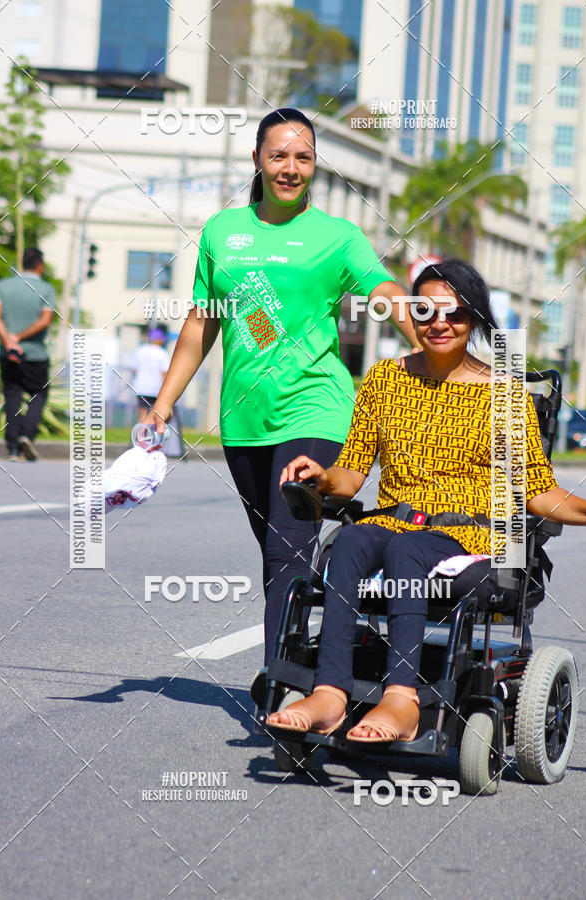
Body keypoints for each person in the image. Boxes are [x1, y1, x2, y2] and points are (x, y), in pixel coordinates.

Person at [267, 258, 586, 743]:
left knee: (409, 551)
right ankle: (331, 693)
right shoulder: (384, 380)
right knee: (351, 541)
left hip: (467, 538)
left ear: (476, 320)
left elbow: (536, 492)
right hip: (392, 523)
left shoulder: (503, 394)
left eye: (455, 313)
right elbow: (352, 473)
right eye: (425, 311)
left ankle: (401, 700)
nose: (439, 323)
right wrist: (321, 477)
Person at [144, 107, 418, 664]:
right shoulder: (223, 232)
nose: (290, 168)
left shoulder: (337, 237)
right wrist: (164, 404)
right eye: (279, 156)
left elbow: (384, 292)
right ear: (258, 160)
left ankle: (281, 684)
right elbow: (202, 321)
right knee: (279, 554)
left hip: (317, 408)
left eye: (303, 157)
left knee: (284, 549)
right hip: (245, 420)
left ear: (314, 165)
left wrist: (433, 342)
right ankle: (337, 623)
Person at [0, 247, 56, 461]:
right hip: (36, 355)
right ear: (40, 265)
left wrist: (9, 341)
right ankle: (27, 436)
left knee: (12, 395)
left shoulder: (3, 286)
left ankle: (13, 448)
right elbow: (45, 321)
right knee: (38, 394)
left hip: (9, 353)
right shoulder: (46, 289)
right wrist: (21, 338)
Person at [131, 328, 170, 421]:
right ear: (159, 339)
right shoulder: (162, 353)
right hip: (156, 389)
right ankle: (150, 434)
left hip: (141, 388)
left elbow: (134, 370)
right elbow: (164, 373)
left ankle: (140, 433)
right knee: (156, 414)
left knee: (142, 413)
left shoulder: (140, 350)